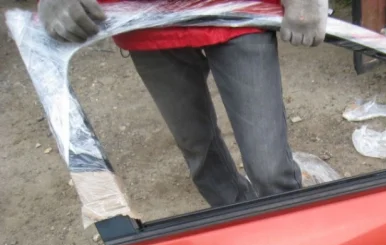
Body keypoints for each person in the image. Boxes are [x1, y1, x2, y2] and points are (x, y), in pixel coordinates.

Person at [38, 0, 328, 207]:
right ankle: (240, 221)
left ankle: (291, 232)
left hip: (240, 12)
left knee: (270, 169)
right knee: (200, 153)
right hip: (145, 23)